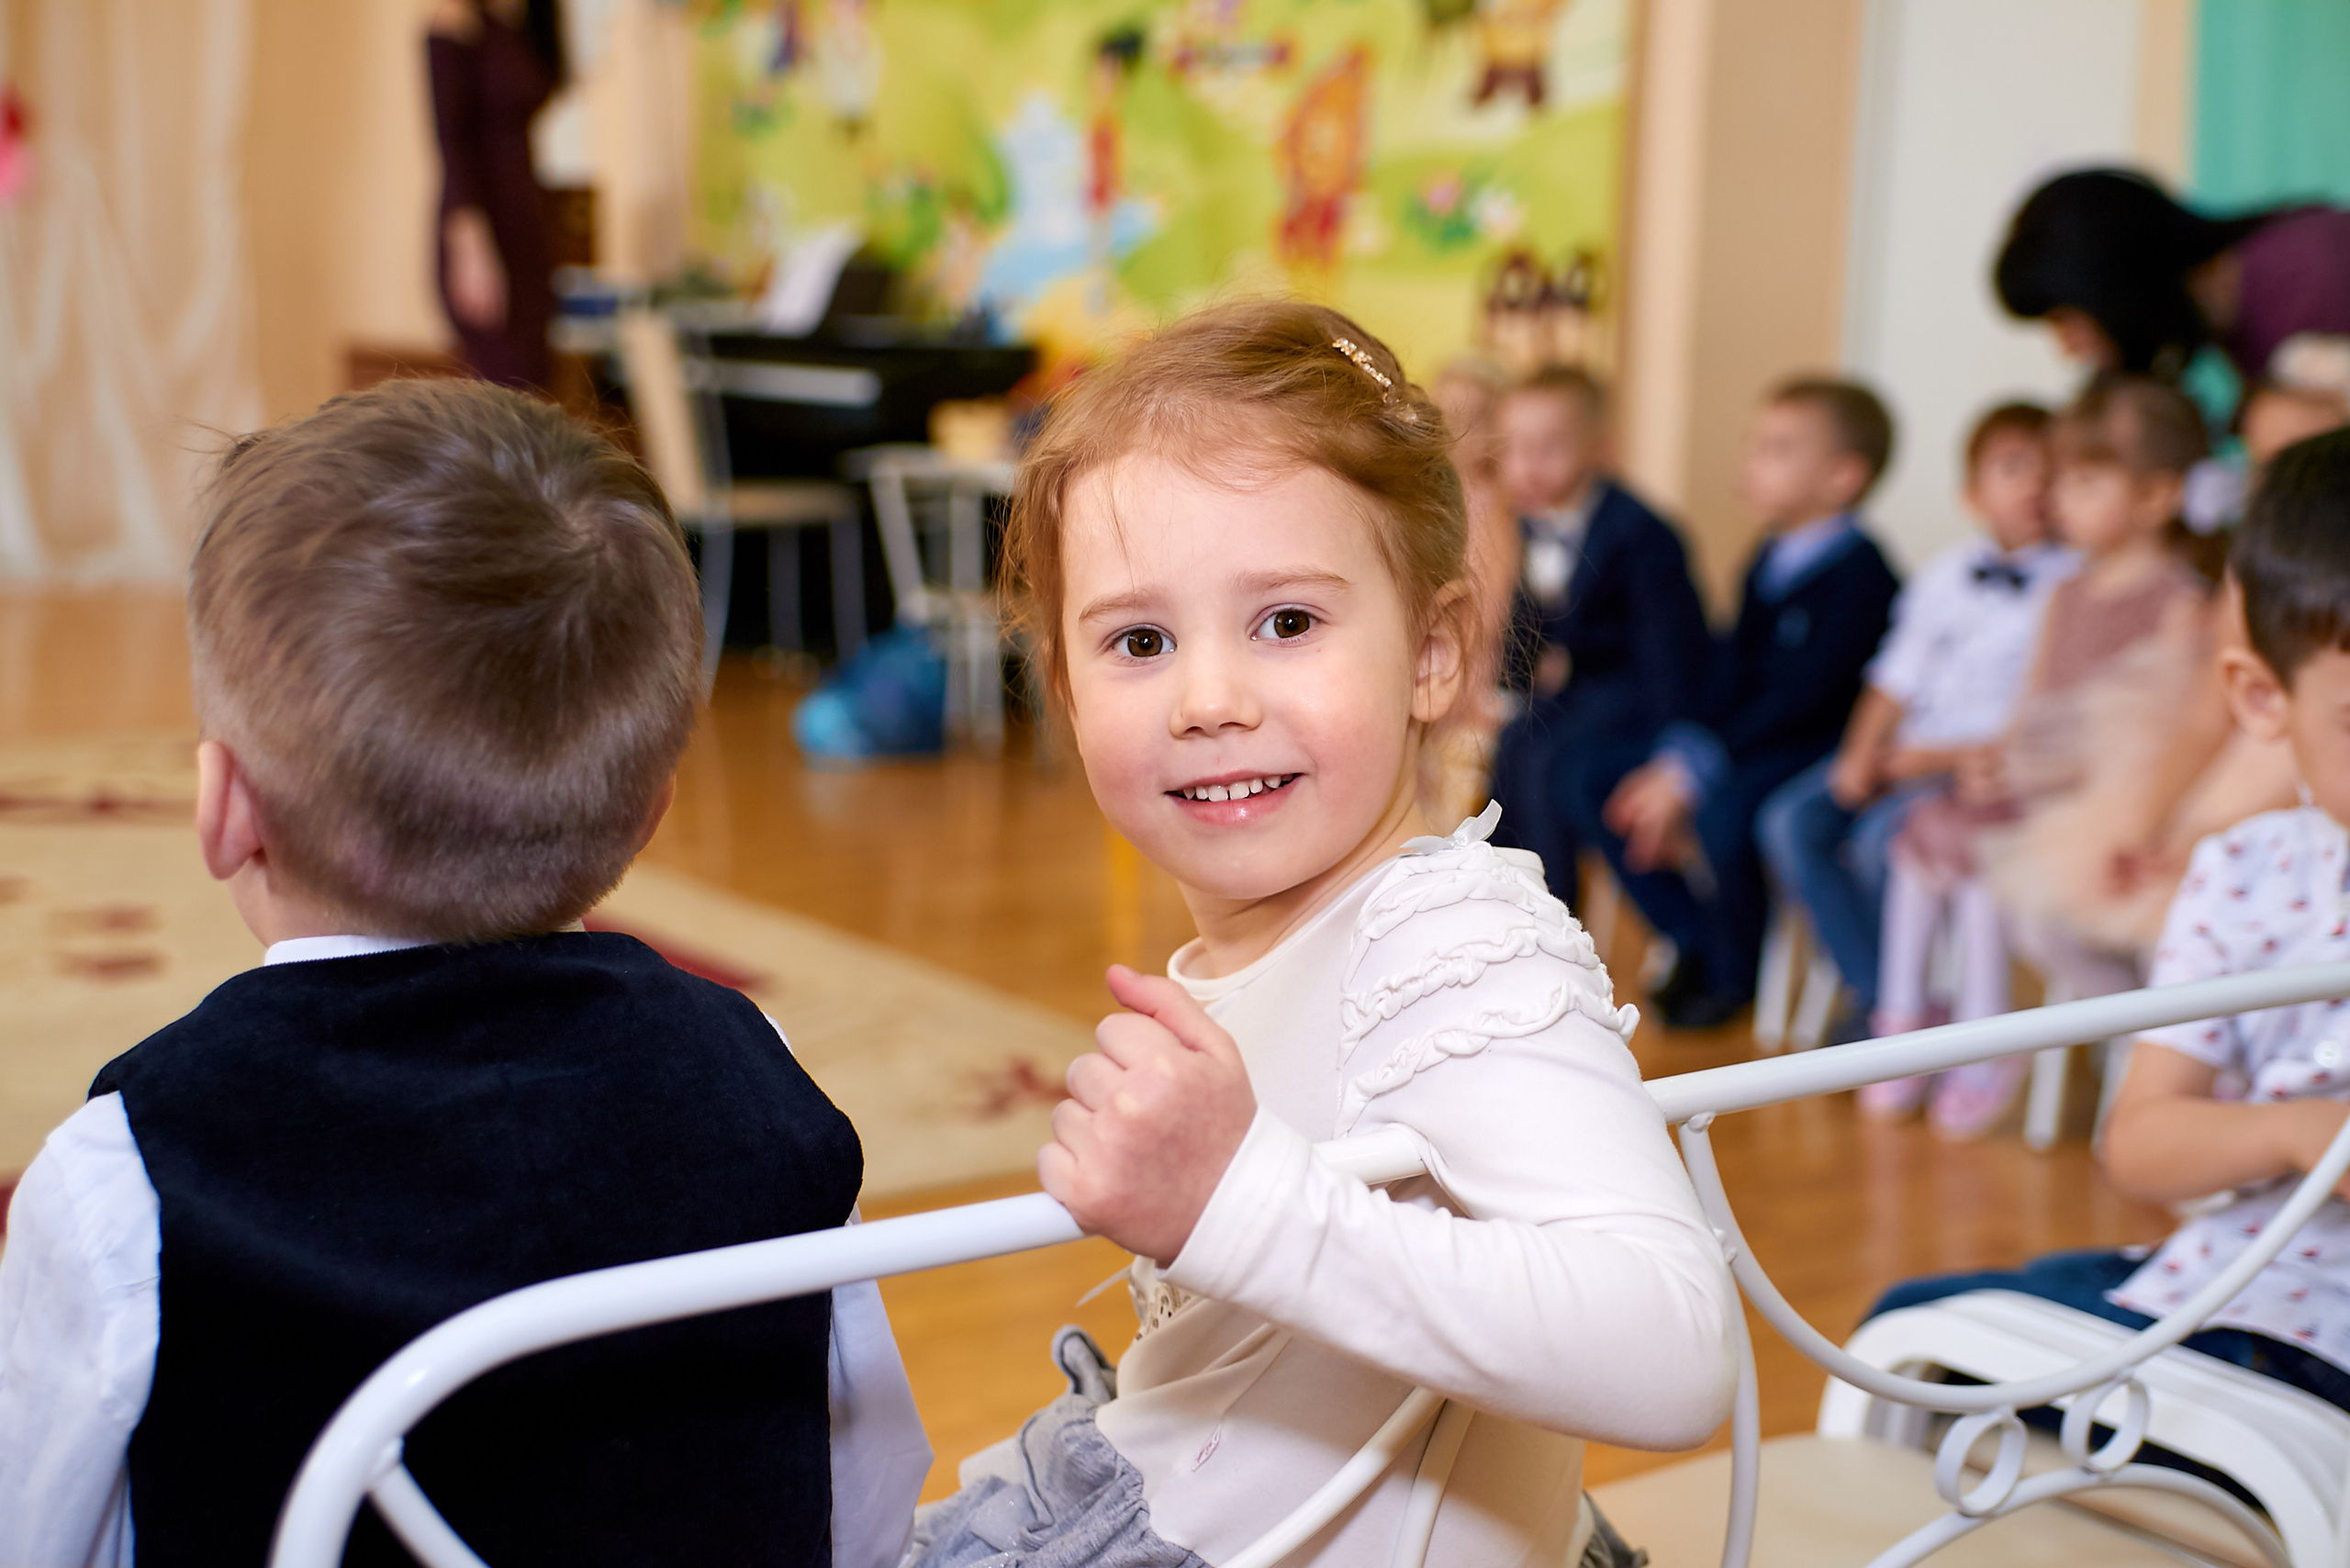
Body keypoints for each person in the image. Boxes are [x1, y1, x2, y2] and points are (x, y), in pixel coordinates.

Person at [0, 381, 928, 1568]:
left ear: (223, 810)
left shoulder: (126, 1168)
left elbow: (39, 1534)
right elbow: (867, 1497)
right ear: (650, 820)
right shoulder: (758, 1078)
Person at [904, 302, 1737, 1568]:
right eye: (1139, 642)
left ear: (1434, 652)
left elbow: (1674, 1354)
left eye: (1287, 622)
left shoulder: (1440, 931)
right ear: (1067, 692)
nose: (1210, 700)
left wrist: (1236, 1202)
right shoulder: (1258, 947)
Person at [1867, 426, 2350, 1420]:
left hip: (2304, 1365)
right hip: (2210, 1299)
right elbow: (2140, 1146)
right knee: (1905, 1329)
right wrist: (2301, 1132)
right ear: (2264, 699)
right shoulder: (2252, 874)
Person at [1868, 376, 2219, 1135]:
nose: (2059, 497)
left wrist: (2034, 772)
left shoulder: (2182, 603)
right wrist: (1999, 761)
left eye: (2086, 481)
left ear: (2157, 498)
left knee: (2002, 881)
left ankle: (2014, 1045)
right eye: (2060, 479)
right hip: (2040, 785)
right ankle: (1905, 1020)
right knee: (1922, 841)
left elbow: (2158, 735)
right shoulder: (2064, 596)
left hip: (2113, 799)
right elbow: (2032, 711)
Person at [1562, 378, 1901, 1031]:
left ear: (1842, 477)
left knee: (1725, 814)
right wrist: (1679, 753)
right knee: (1593, 779)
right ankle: (1694, 934)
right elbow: (1727, 669)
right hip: (1742, 737)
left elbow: (1804, 698)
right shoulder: (1769, 555)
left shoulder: (1863, 575)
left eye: (1776, 448)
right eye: (1756, 443)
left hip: (1805, 746)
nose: (1751, 460)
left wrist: (1698, 772)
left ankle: (1733, 968)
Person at [1757, 402, 2069, 1043]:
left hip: (1977, 772)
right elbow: (1894, 677)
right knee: (1790, 821)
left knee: (1880, 845)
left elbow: (2040, 716)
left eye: (2054, 471)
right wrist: (1859, 752)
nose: (2037, 486)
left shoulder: (2072, 587)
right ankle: (1882, 995)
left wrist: (1922, 762)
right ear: (1972, 494)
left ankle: (1893, 1012)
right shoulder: (1946, 574)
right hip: (1904, 753)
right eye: (2014, 469)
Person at [1485, 365, 1709, 910]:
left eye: (1551, 447)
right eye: (1515, 449)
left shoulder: (1639, 533)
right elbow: (1526, 618)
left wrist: (1674, 744)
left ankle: (1554, 912)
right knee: (1515, 743)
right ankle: (1501, 899)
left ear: (1601, 449)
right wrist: (1509, 689)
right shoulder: (1534, 522)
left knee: (1551, 764)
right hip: (1588, 687)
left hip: (1638, 692)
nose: (1529, 465)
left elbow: (1669, 646)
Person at [1997, 167, 2350, 391]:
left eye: (2063, 319)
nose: (2067, 349)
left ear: (2114, 279)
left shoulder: (2314, 280)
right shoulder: (2241, 337)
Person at [429, 0, 565, 390]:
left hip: (529, 225)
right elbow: (450, 144)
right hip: (481, 228)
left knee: (537, 390)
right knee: (508, 390)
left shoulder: (519, 23)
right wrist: (470, 247)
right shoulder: (455, 18)